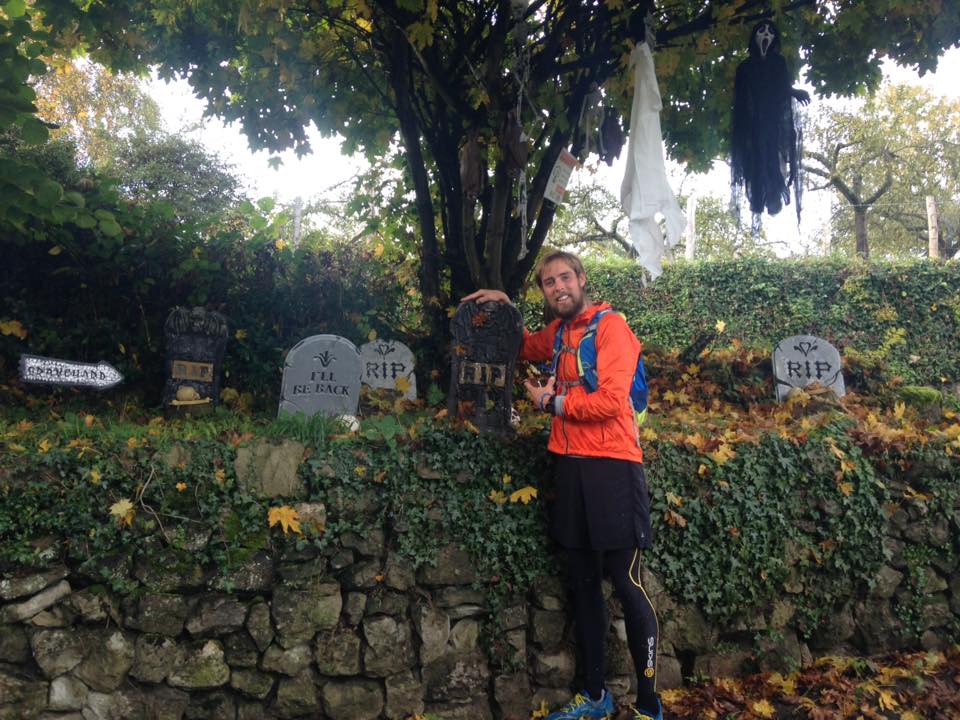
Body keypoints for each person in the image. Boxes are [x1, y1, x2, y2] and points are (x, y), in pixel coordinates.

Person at [462, 250, 662, 720]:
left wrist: (551, 403)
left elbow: (612, 402)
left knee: (628, 583)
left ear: (582, 279)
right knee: (583, 584)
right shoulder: (558, 333)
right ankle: (595, 696)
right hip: (569, 466)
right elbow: (521, 346)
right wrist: (505, 306)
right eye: (549, 282)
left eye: (565, 278)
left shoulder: (612, 329)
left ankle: (649, 706)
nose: (558, 287)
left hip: (612, 467)